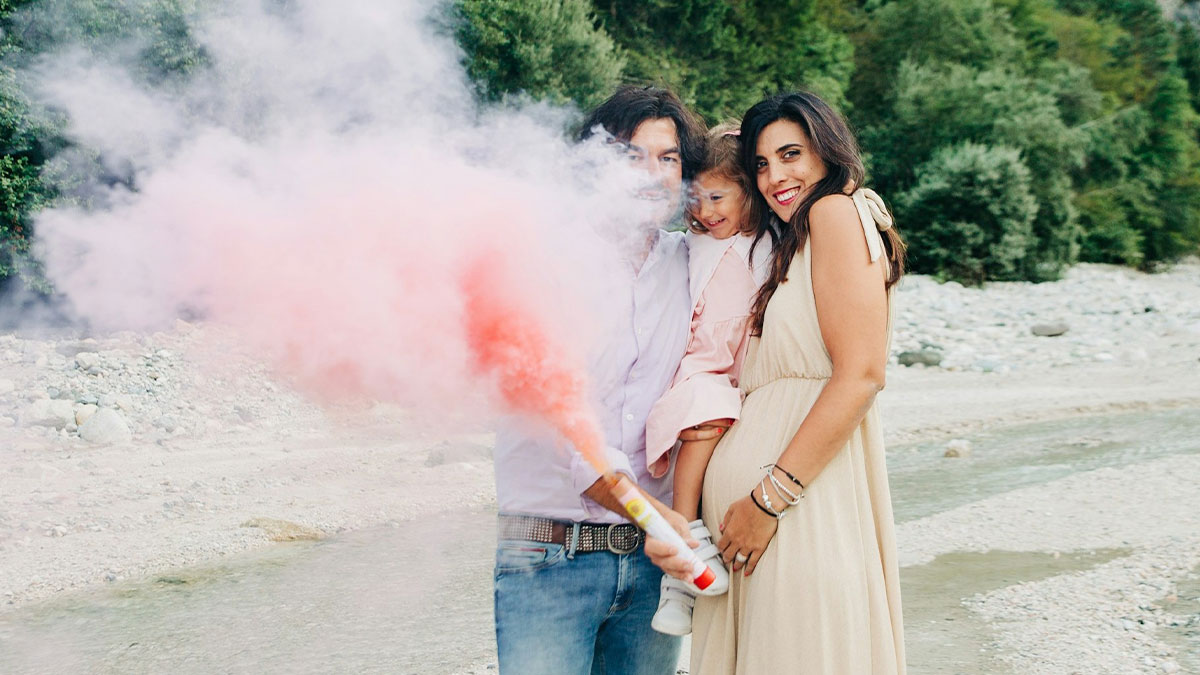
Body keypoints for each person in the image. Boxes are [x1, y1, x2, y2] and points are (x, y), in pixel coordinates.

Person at [649, 91, 907, 674]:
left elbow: (862, 375)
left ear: (827, 150)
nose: (775, 177)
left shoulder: (833, 212)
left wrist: (769, 499)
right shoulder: (784, 245)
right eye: (761, 165)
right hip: (754, 521)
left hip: (788, 508)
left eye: (791, 155)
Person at [491, 85, 708, 675]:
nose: (654, 174)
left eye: (668, 158)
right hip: (547, 556)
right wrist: (662, 523)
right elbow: (573, 440)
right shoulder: (546, 260)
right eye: (631, 156)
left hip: (652, 567)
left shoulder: (691, 262)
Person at [641, 123, 773, 636]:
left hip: (743, 368)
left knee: (716, 412)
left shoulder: (766, 242)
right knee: (702, 411)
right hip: (698, 365)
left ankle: (687, 550)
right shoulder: (692, 244)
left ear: (749, 192)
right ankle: (686, 547)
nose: (704, 211)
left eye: (718, 197)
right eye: (695, 199)